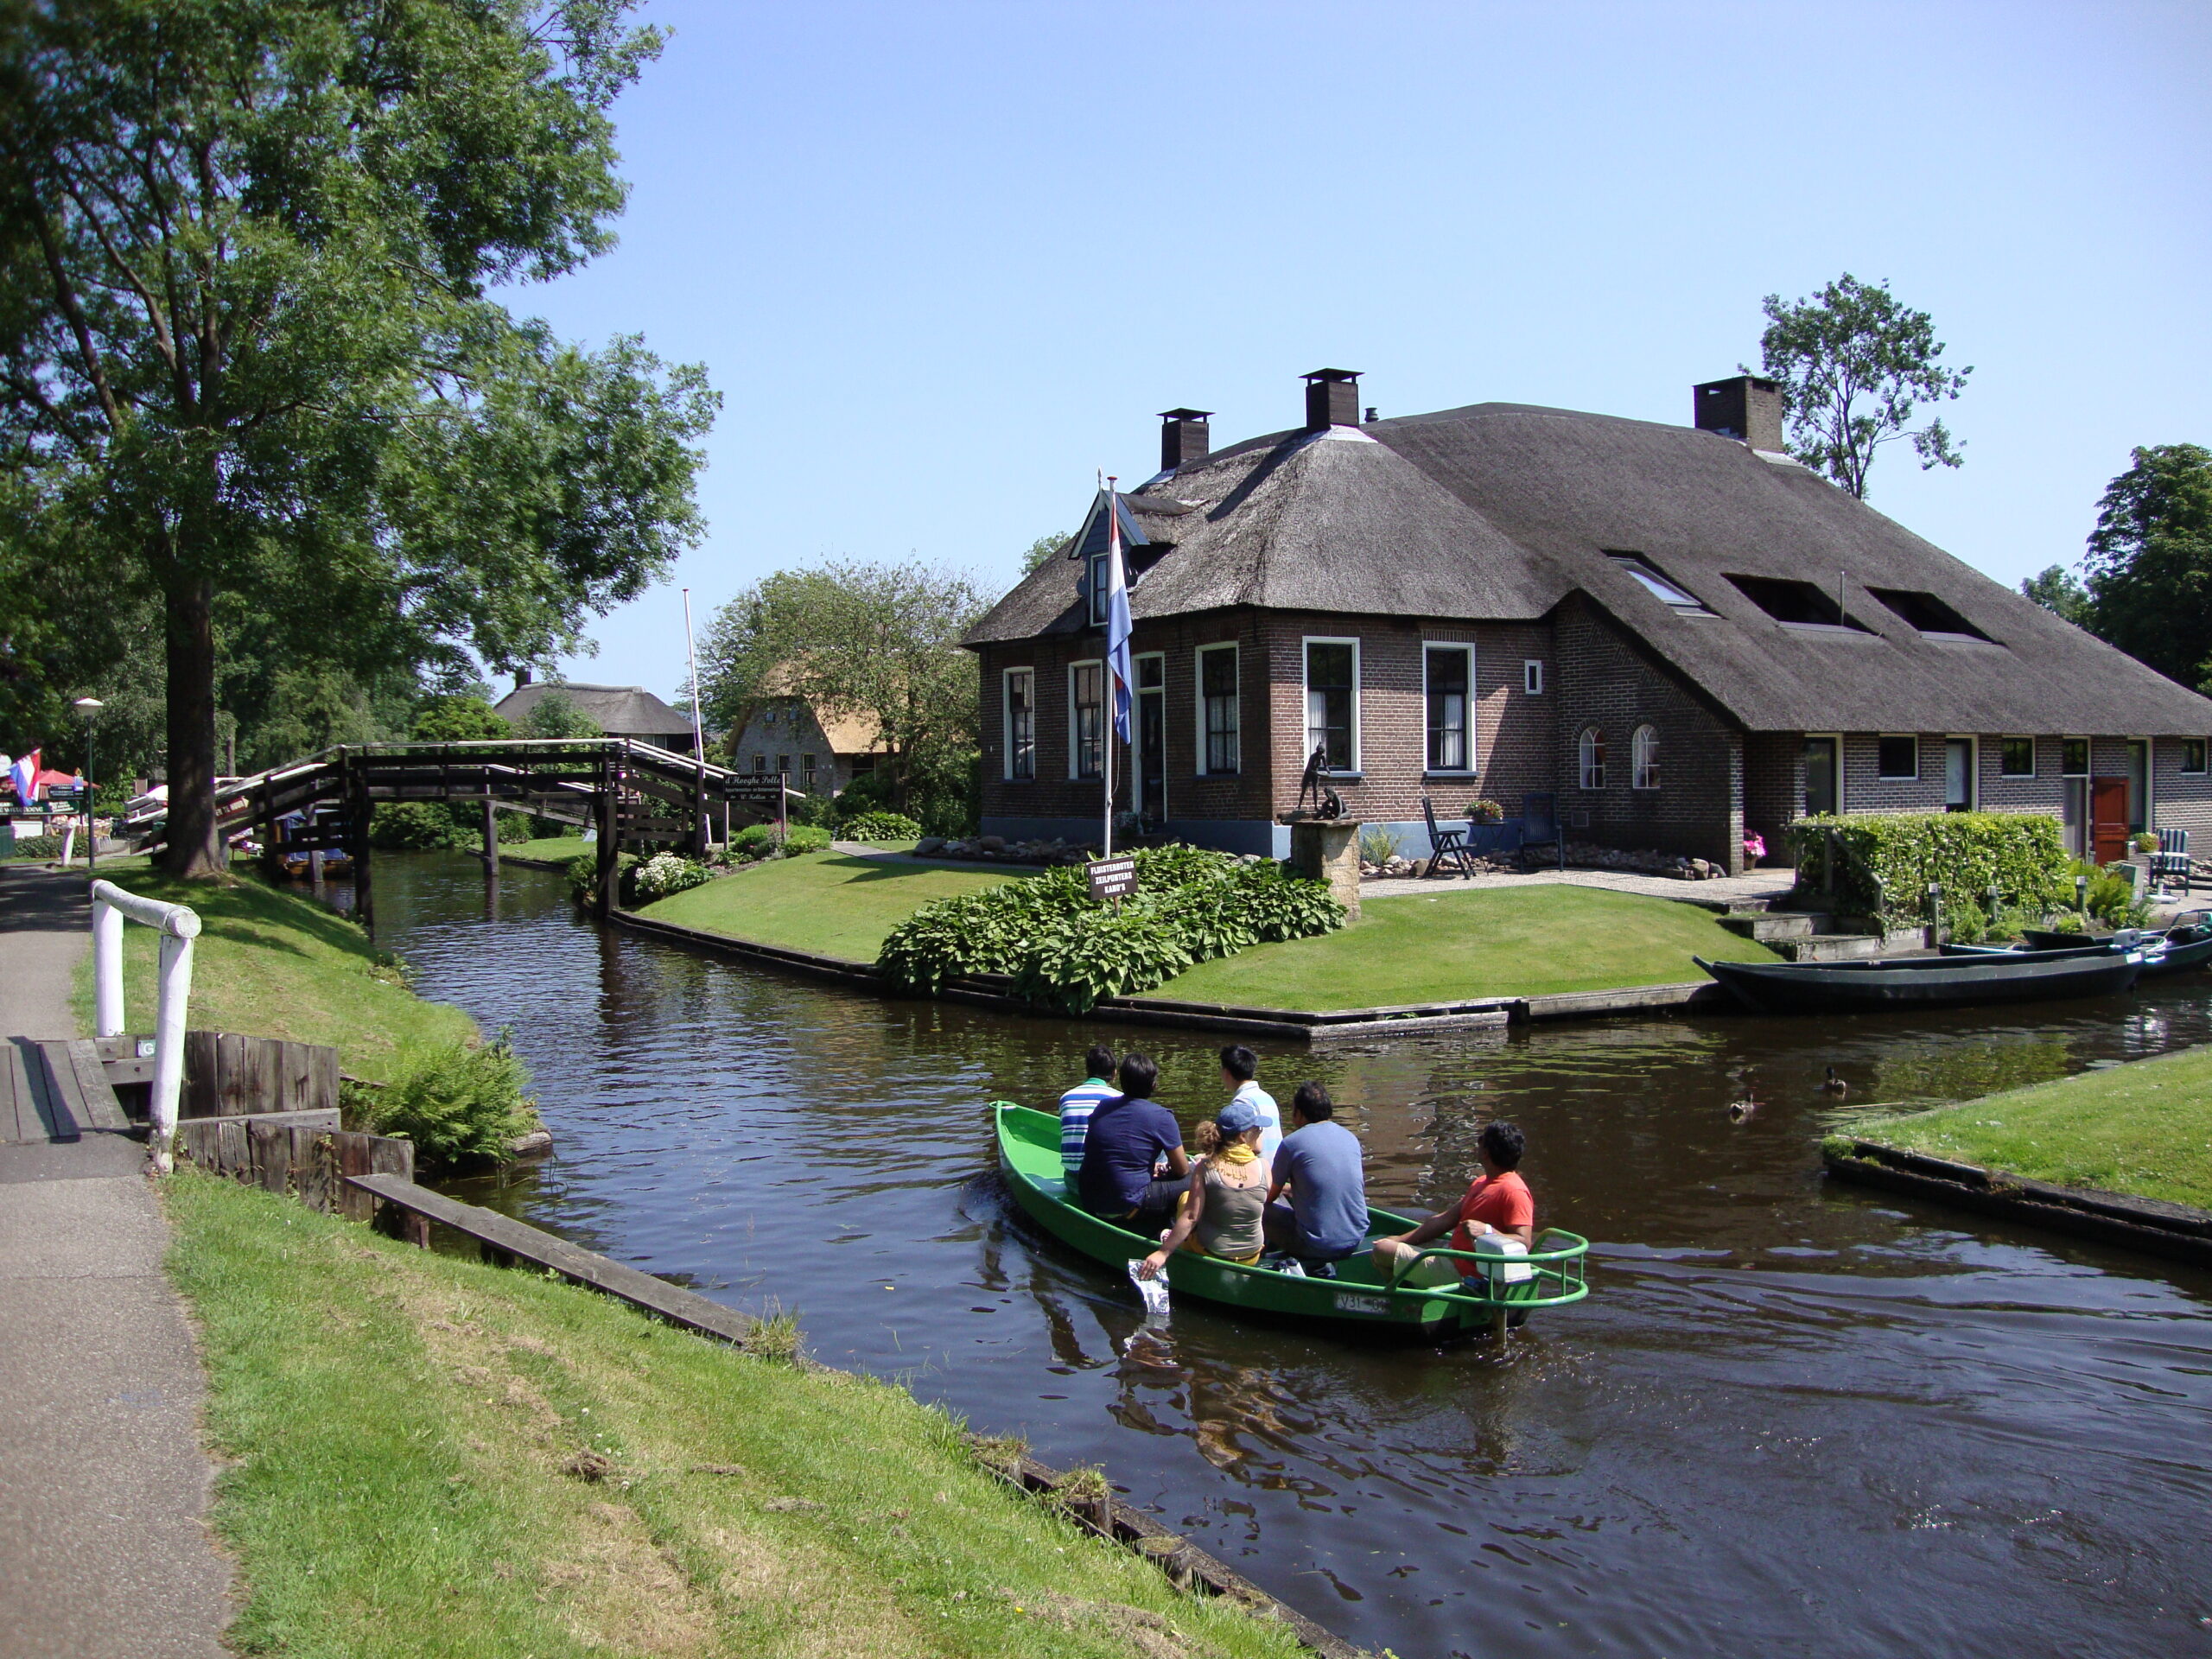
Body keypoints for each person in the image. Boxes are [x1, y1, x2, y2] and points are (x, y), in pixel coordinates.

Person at [1371, 1120, 1534, 1287]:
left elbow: (1524, 1243)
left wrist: (1487, 1231)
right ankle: (1416, 1289)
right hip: (1453, 1254)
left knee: (1382, 1251)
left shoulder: (1513, 1191)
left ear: (1486, 1152)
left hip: (1466, 1272)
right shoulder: (1482, 1182)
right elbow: (1444, 1220)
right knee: (1391, 1244)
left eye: (1481, 1140)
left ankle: (1406, 1303)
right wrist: (1399, 1239)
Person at [1136, 1099, 1271, 1275]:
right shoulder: (1264, 1167)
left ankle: (1169, 1237)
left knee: (1186, 1198)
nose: (1260, 1134)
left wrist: (1163, 1253)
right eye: (1257, 1130)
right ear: (1242, 1137)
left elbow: (1191, 1217)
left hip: (1213, 1253)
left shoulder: (1206, 1167)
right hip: (1251, 1256)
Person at [1262, 1082, 1370, 1274]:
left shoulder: (1292, 1143)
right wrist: (1291, 1189)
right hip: (1356, 1238)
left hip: (1317, 1245)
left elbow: (1269, 1195)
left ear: (1300, 1114)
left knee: (1260, 1208)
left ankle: (1263, 1258)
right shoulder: (1350, 1137)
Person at [1076, 1053, 1189, 1228]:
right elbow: (1182, 1170)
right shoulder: (1162, 1116)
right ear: (1154, 1085)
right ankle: (1173, 1228)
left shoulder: (1103, 1107)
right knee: (1197, 1177)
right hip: (1127, 1205)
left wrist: (1150, 1169)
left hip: (1089, 1200)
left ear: (1120, 1080)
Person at [1058, 1043, 1121, 1174]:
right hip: (1104, 1178)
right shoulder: (1119, 1099)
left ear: (1087, 1070)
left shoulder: (1066, 1097)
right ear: (1114, 1073)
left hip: (1072, 1177)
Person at [1218, 1045, 1282, 1163]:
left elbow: (1250, 1147)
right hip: (1276, 1167)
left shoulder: (1242, 1102)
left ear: (1226, 1073)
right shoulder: (1267, 1097)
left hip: (1259, 1171)